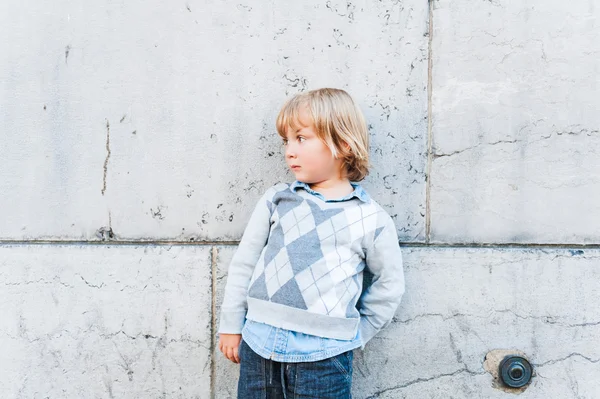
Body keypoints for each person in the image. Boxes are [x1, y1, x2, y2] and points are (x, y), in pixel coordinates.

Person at [218, 88, 405, 398]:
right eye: (286, 141)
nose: (289, 151)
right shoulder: (278, 200)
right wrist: (231, 324)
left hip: (325, 357)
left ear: (343, 145)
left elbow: (390, 284)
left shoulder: (370, 219)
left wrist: (356, 333)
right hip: (258, 344)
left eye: (301, 139)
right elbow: (245, 263)